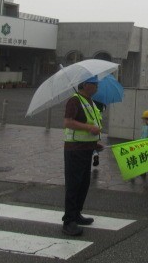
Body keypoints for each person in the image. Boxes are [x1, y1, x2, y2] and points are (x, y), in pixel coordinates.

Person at [62, 75, 102, 237]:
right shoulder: (74, 101)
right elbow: (68, 122)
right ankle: (68, 221)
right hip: (75, 149)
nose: (97, 87)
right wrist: (89, 128)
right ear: (85, 85)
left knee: (83, 184)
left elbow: (93, 123)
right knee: (73, 185)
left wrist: (94, 144)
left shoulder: (89, 101)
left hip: (87, 149)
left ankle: (76, 213)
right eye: (95, 84)